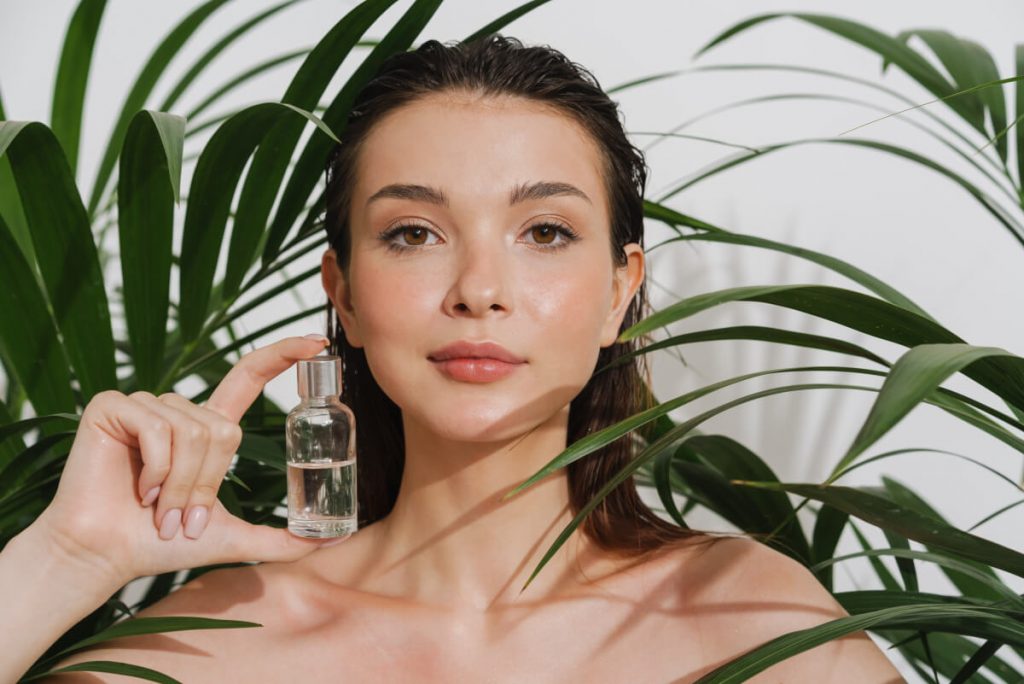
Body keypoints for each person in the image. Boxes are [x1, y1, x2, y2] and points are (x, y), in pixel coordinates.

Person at [1, 34, 905, 683]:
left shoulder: (749, 622)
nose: (479, 287)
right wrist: (65, 560)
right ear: (343, 291)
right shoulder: (204, 650)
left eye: (545, 231)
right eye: (414, 233)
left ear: (621, 289)